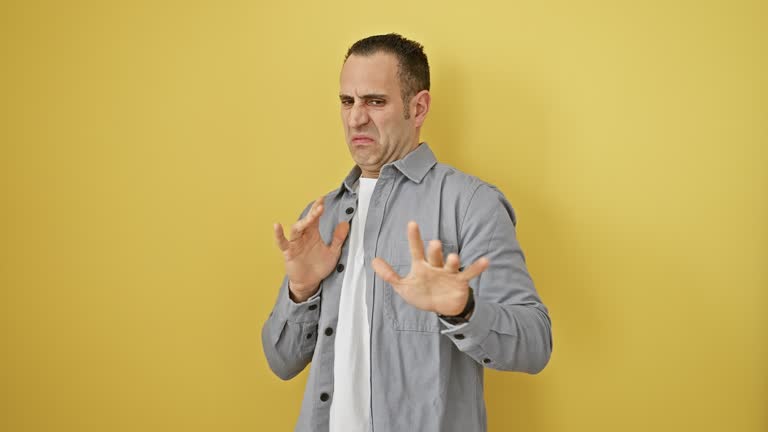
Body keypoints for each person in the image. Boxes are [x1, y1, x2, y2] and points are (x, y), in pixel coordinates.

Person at [261, 33, 552, 432]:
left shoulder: (470, 204)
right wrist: (302, 290)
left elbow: (535, 344)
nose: (355, 118)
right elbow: (281, 362)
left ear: (418, 108)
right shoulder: (320, 218)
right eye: (347, 101)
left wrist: (464, 310)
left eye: (375, 102)